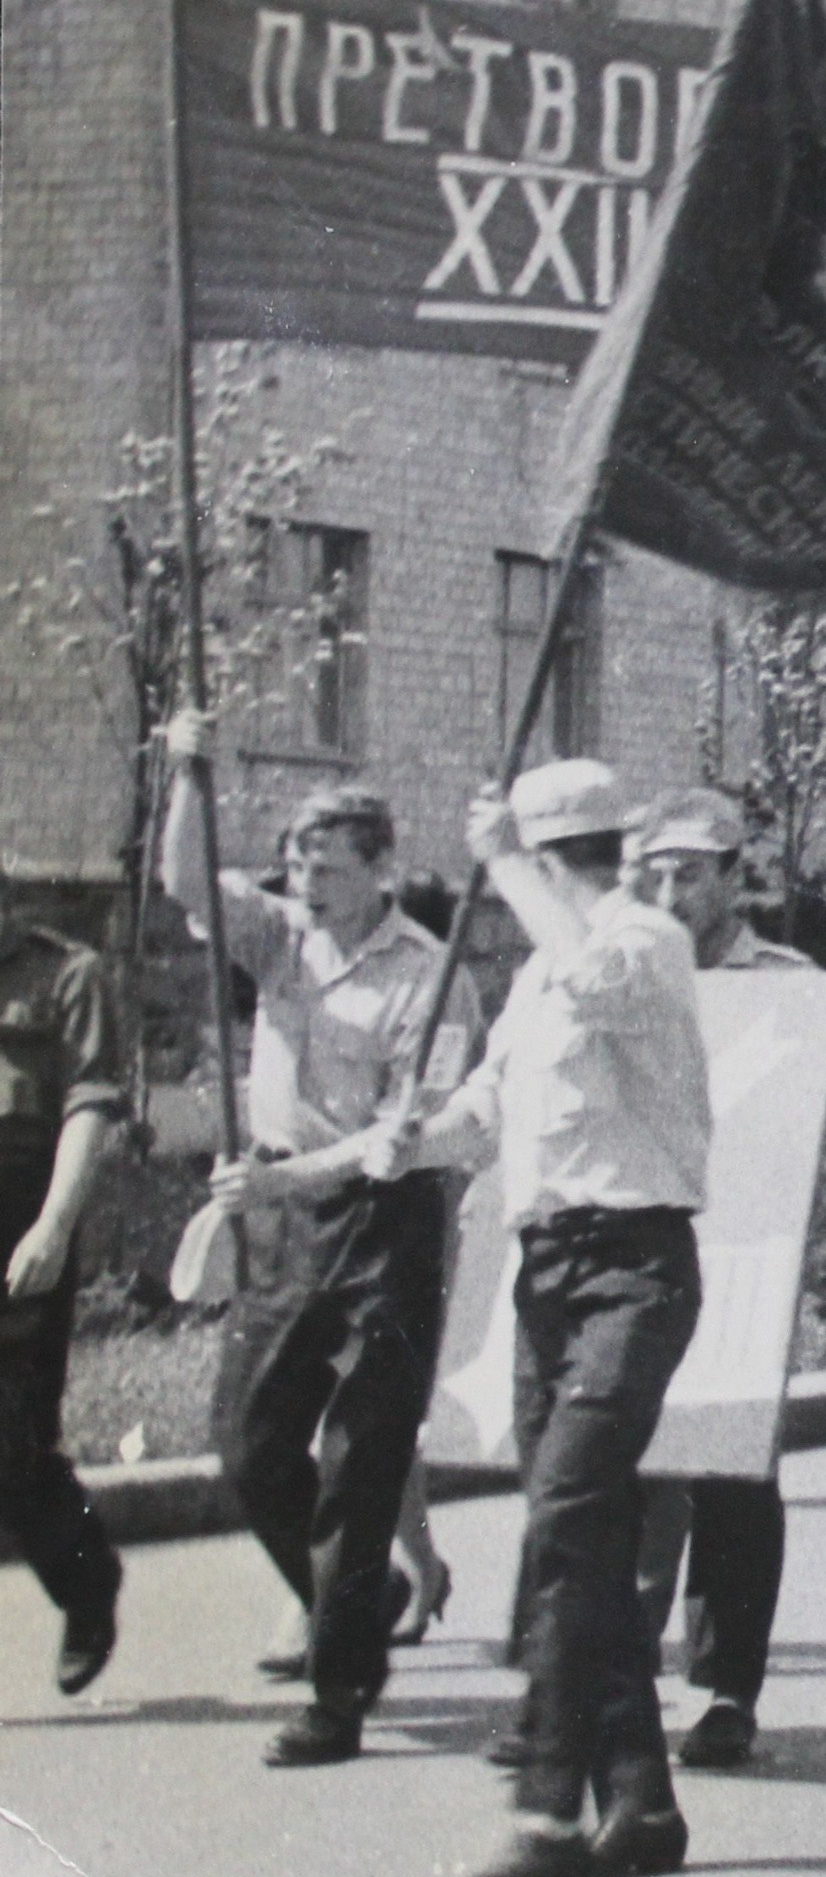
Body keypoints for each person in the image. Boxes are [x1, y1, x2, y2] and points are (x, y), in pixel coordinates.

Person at [365, 760, 712, 1877]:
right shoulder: (535, 975)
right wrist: (411, 1134)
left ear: (550, 856)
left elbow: (602, 978)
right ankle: (644, 1804)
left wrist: (503, 862)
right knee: (582, 1536)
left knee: (567, 1516)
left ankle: (550, 1808)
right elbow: (489, 1109)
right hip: (549, 1272)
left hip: (635, 1267)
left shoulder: (639, 936)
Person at [161, 715, 480, 1767]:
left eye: (331, 868)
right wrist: (189, 767)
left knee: (360, 1461)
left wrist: (279, 1176)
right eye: (298, 863)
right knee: (251, 1443)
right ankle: (361, 1593)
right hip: (290, 1221)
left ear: (382, 871)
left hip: (387, 1222)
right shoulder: (280, 938)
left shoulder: (431, 979)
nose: (308, 883)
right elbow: (188, 884)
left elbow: (400, 1140)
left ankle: (338, 1694)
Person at [620, 788, 819, 1773]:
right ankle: (603, 1680)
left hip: (745, 1250)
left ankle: (729, 1689)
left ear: (735, 879)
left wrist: (803, 1220)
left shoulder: (783, 982)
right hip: (641, 1246)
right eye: (654, 868)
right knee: (623, 1460)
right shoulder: (622, 971)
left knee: (733, 1472)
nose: (669, 887)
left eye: (690, 870)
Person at [0, 856, 126, 1699]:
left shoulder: (68, 972)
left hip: (20, 1208)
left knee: (10, 1439)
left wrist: (53, 1223)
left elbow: (90, 1104)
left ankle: (86, 1584)